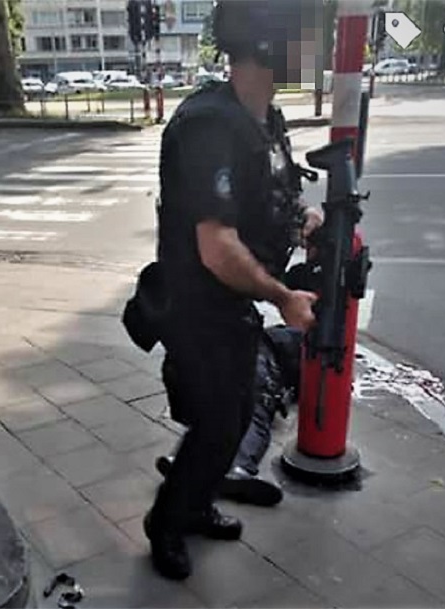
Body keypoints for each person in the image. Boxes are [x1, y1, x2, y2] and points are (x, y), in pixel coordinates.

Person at [143, 0, 323, 580]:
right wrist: (283, 298)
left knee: (237, 413)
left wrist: (303, 220)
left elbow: (273, 193)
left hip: (231, 302)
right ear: (267, 47)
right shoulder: (209, 127)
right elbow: (217, 247)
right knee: (219, 420)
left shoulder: (264, 118)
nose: (310, 53)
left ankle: (194, 503)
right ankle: (167, 522)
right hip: (197, 303)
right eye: (301, 41)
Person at [157, 325, 303, 507]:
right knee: (253, 413)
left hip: (226, 357)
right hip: (256, 362)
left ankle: (181, 461)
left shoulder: (279, 334)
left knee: (215, 412)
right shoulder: (302, 342)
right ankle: (238, 468)